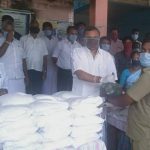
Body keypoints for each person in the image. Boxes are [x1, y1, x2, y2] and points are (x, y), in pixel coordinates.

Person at [107, 38, 150, 150]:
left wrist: (110, 99)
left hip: (144, 131)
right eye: (144, 50)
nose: (146, 54)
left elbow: (126, 100)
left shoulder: (148, 76)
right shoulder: (142, 72)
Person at [71, 26, 117, 97]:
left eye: (95, 37)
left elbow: (112, 78)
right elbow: (79, 73)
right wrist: (101, 79)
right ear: (84, 39)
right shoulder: (77, 52)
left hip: (100, 98)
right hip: (80, 98)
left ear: (99, 38)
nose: (92, 40)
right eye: (88, 37)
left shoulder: (107, 56)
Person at [21, 20, 48, 95]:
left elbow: (45, 57)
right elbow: (21, 57)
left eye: (36, 26)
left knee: (38, 93)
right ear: (30, 27)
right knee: (27, 93)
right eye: (33, 25)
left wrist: (45, 72)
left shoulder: (42, 41)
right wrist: (25, 75)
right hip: (27, 71)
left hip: (39, 71)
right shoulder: (23, 39)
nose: (35, 27)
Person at [52, 26, 81, 91]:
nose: (74, 35)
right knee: (61, 90)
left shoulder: (79, 46)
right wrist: (60, 65)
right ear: (67, 34)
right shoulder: (61, 44)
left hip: (74, 73)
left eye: (76, 34)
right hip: (62, 72)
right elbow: (54, 57)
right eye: (72, 33)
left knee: (72, 90)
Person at [0, 21, 25, 93]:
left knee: (21, 101)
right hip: (6, 80)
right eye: (7, 31)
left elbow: (23, 59)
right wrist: (7, 41)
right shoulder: (0, 40)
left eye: (11, 31)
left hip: (20, 78)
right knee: (7, 102)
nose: (9, 33)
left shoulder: (18, 42)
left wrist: (26, 76)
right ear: (3, 30)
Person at [40, 22, 58, 94]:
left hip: (54, 65)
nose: (48, 30)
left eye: (49, 29)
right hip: (44, 65)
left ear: (52, 29)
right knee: (45, 83)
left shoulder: (56, 39)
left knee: (54, 83)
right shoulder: (40, 40)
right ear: (43, 30)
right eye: (46, 29)